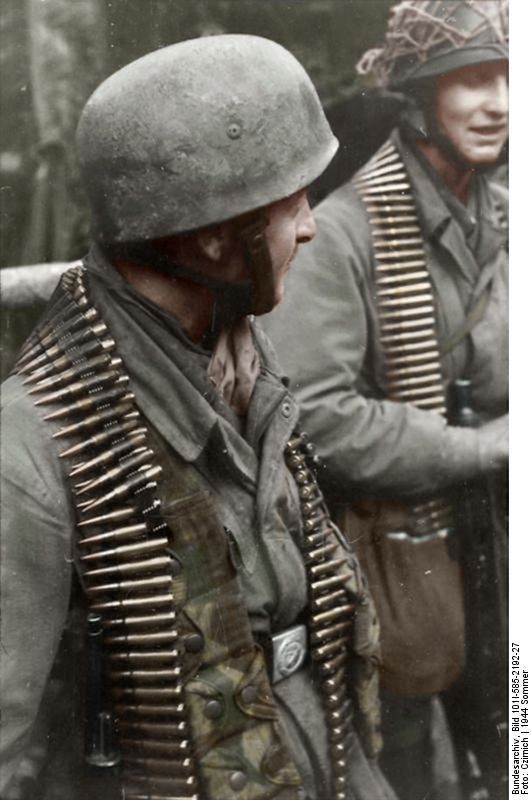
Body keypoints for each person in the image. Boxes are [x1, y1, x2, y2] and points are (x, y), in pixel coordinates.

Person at [0, 35, 397, 800]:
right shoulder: (31, 451)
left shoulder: (239, 357)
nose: (310, 226)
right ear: (217, 237)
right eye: (291, 204)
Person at [262, 3, 508, 799]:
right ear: (420, 98)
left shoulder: (502, 213)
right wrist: (481, 445)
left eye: (510, 79)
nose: (499, 103)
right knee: (398, 766)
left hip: (497, 542)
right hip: (384, 558)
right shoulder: (344, 233)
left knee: (512, 753)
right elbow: (317, 415)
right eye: (472, 80)